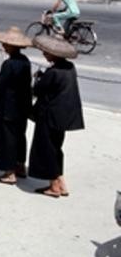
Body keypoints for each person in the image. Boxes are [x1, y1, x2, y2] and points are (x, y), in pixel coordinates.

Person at [28, 35, 84, 197]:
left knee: (46, 149)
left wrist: (39, 79)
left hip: (49, 115)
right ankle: (61, 182)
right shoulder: (69, 67)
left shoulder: (53, 72)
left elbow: (38, 91)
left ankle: (53, 186)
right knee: (56, 148)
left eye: (47, 52)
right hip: (64, 115)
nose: (44, 54)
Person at [0, 26, 33, 184]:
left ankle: (9, 172)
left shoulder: (9, 64)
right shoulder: (25, 61)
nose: (4, 46)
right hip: (22, 106)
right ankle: (20, 165)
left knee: (6, 139)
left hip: (7, 107)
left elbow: (1, 85)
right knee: (20, 136)